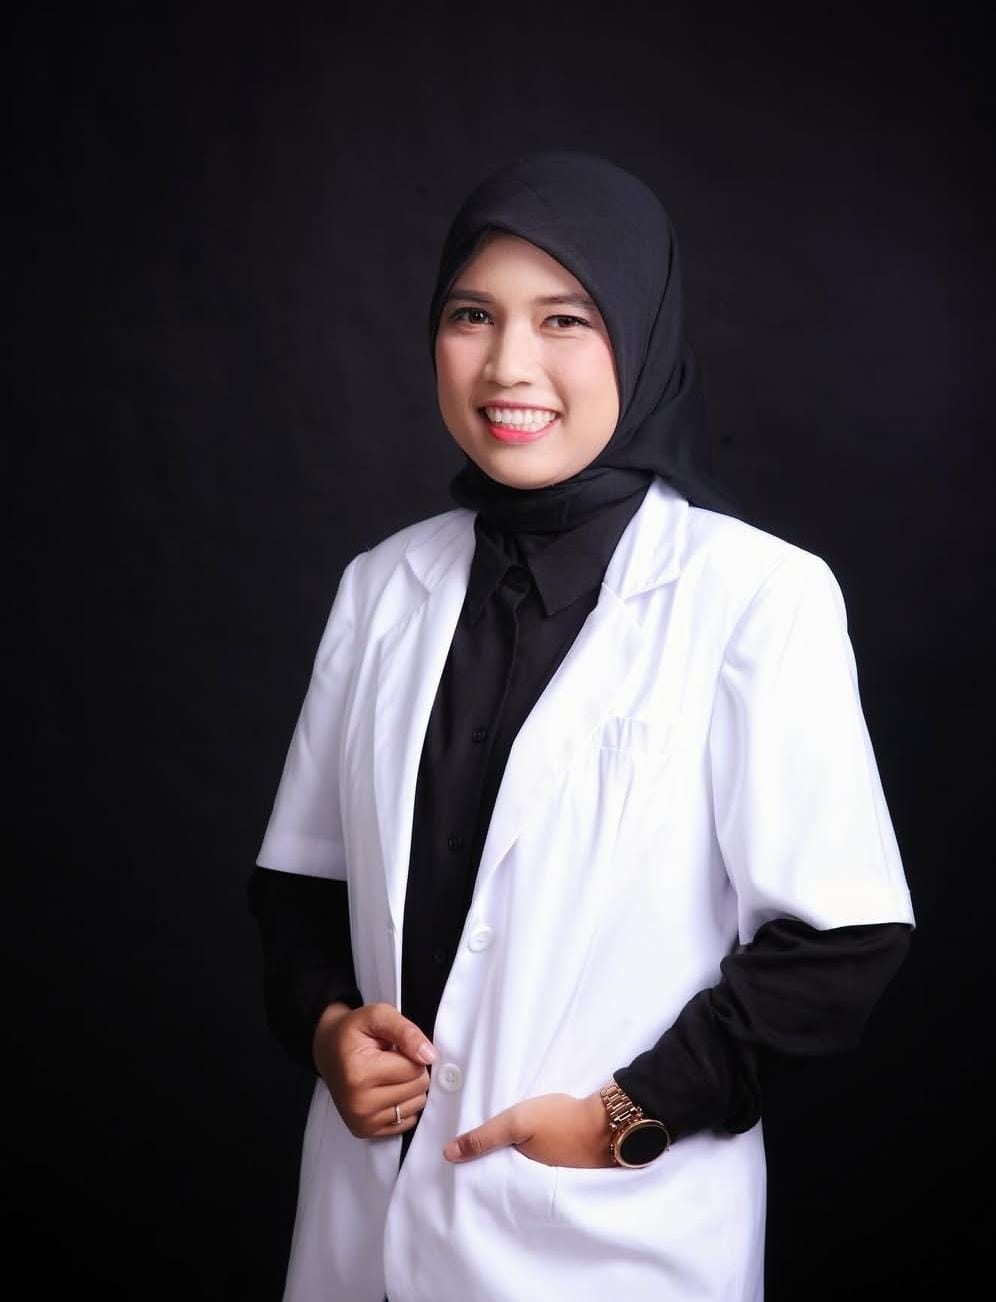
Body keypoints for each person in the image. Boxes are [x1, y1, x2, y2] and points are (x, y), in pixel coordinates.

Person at [248, 149, 915, 1302]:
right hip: (364, 1232)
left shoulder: (755, 596)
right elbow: (300, 890)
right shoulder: (382, 586)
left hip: (605, 1244)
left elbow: (841, 943)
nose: (509, 363)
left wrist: (625, 1116)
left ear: (642, 337)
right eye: (472, 315)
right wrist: (326, 1031)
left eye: (566, 319)